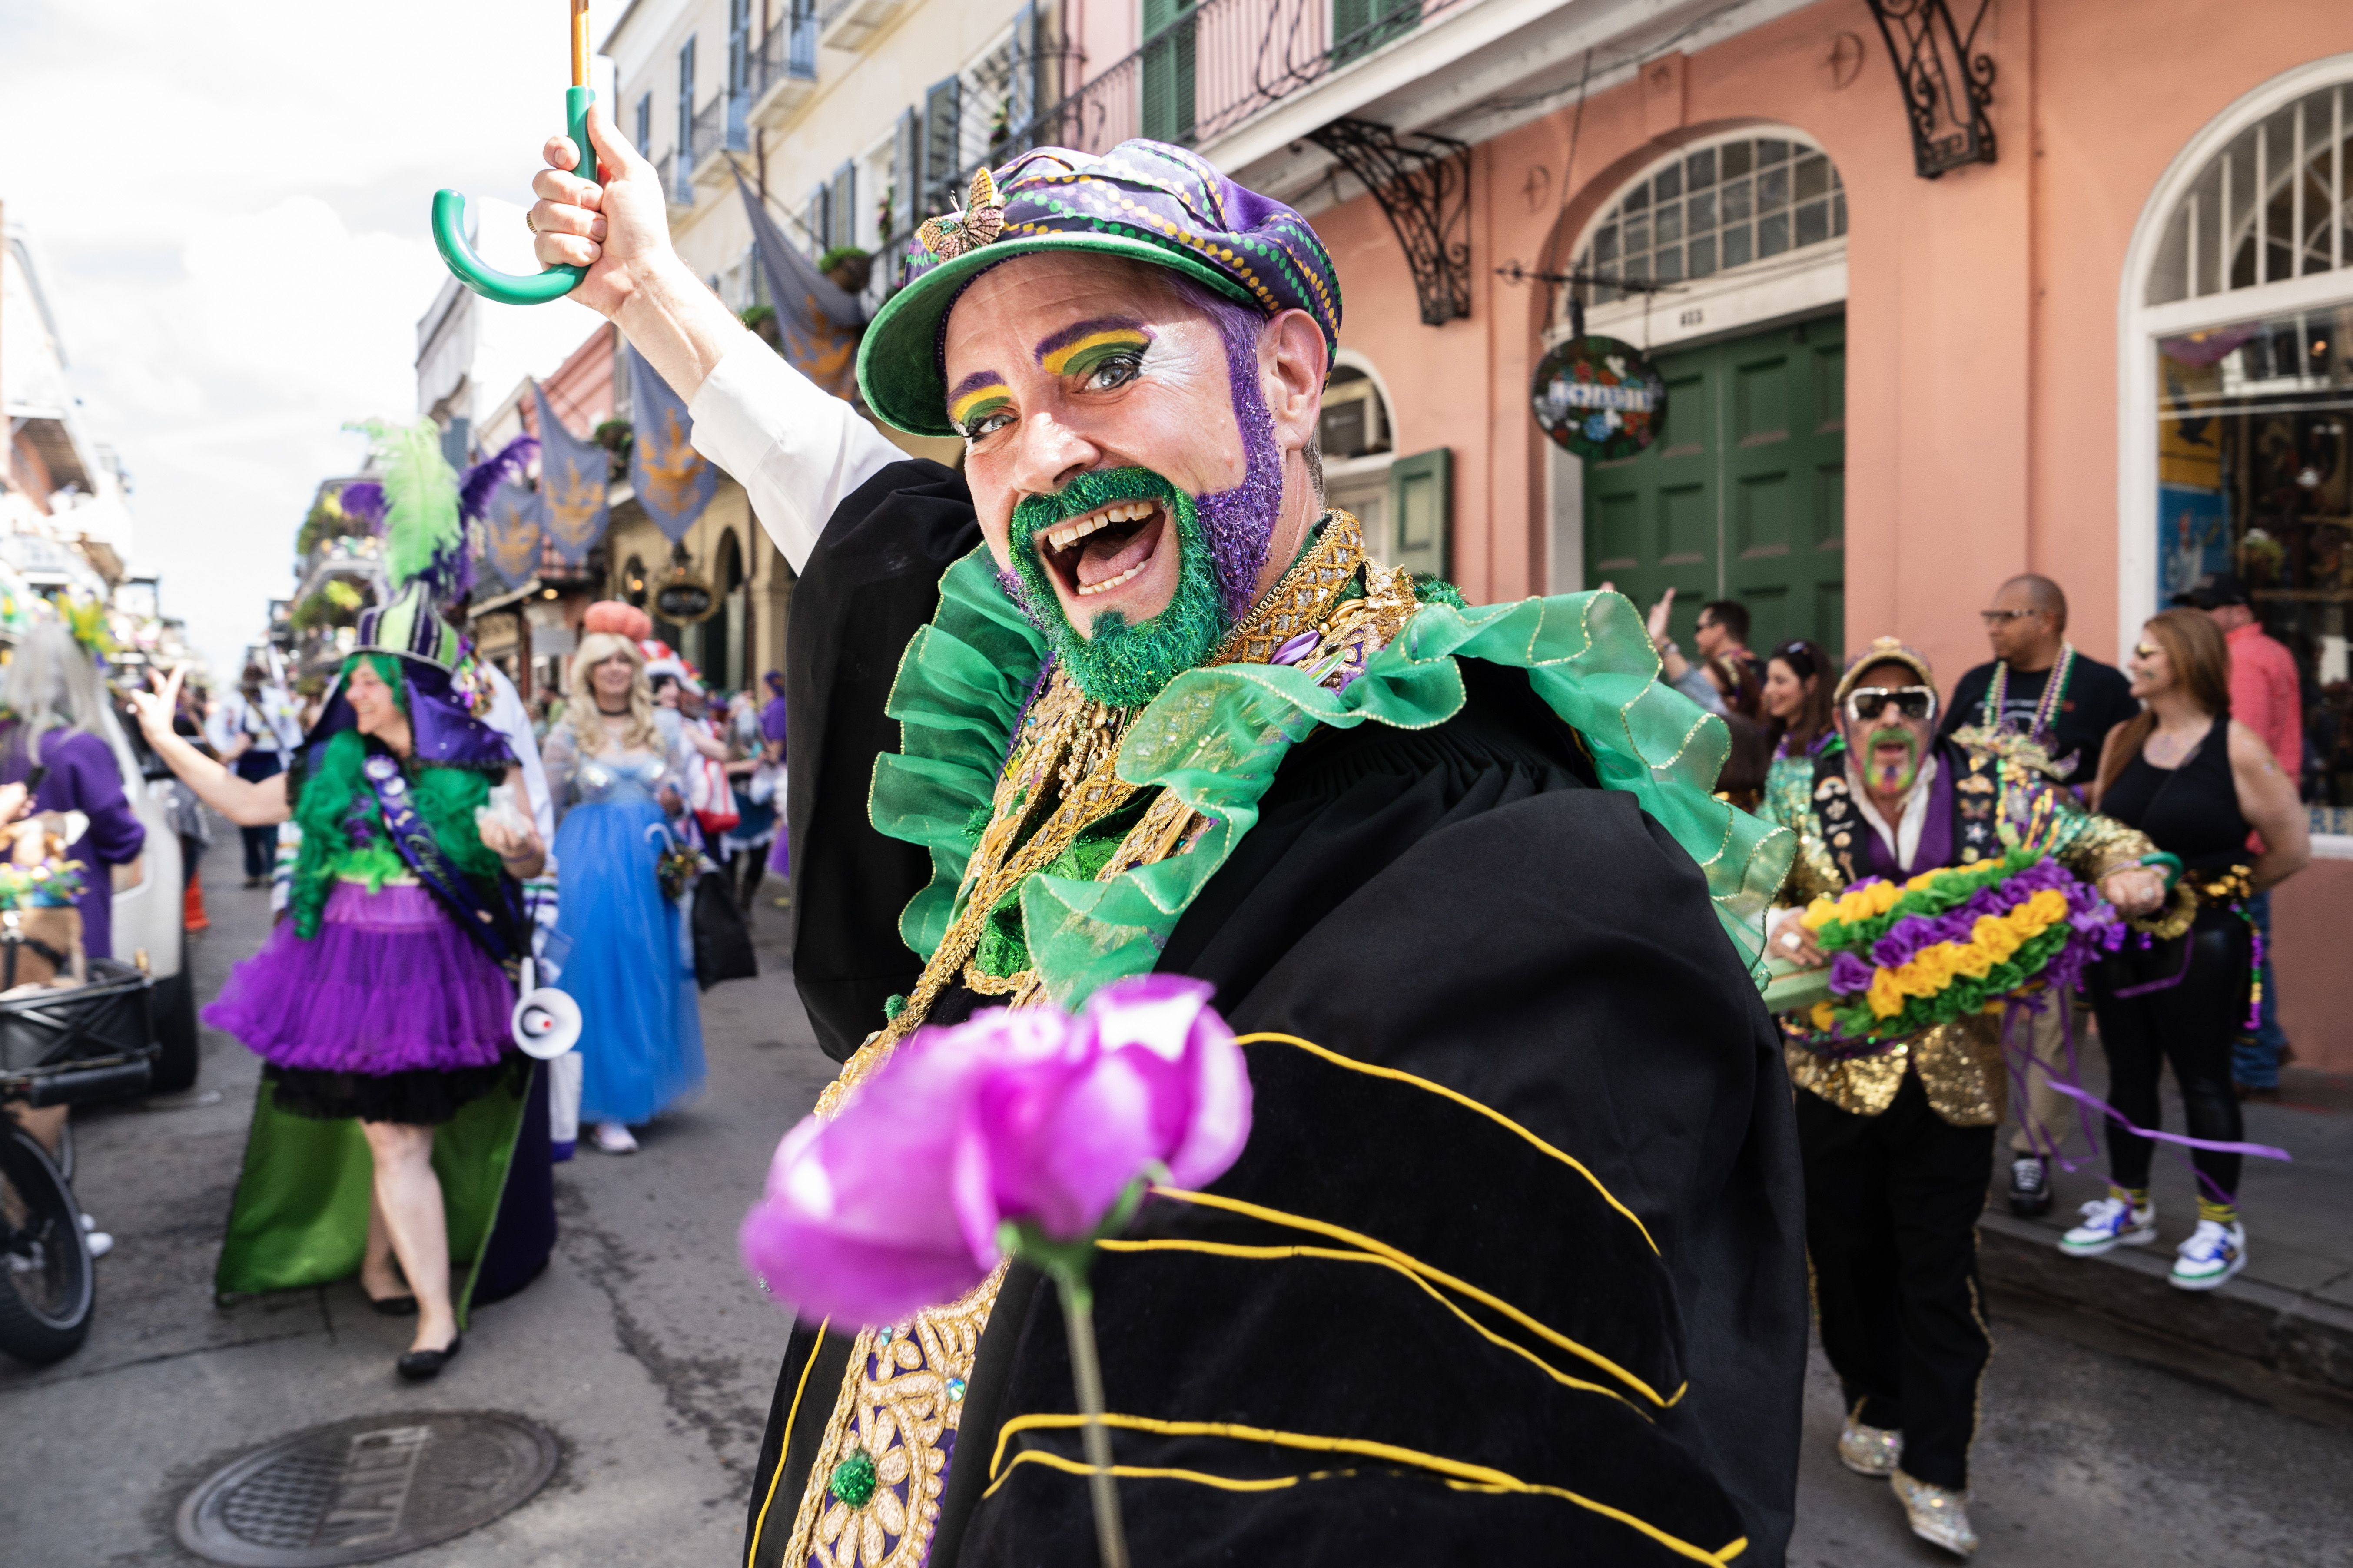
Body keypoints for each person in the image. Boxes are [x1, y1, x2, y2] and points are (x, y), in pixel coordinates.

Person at [533, 112, 1806, 1564]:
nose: (1040, 451)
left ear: (1284, 370)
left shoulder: (1471, 825)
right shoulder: (1051, 685)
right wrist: (649, 292)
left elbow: (1411, 1469)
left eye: (1103, 364)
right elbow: (852, 494)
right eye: (988, 414)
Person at [128, 438, 552, 1378]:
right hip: (347, 973)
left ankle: (381, 1268)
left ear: (416, 689)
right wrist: (163, 738)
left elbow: (526, 849)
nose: (352, 688)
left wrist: (517, 846)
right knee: (392, 1133)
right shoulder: (329, 766)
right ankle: (433, 1312)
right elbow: (241, 804)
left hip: (438, 973)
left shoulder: (479, 762)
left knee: (400, 1132)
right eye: (352, 677)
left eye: (370, 677)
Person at [1764, 637, 2163, 1556]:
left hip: (1953, 1081)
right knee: (1845, 1255)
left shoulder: (1998, 792)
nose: (1891, 718)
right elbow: (1751, 890)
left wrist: (2128, 871)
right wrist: (1779, 924)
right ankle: (1873, 1398)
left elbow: (2098, 835)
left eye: (1909, 700)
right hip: (1833, 1072)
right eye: (1872, 704)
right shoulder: (1794, 795)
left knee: (1938, 1270)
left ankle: (1936, 1467)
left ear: (1933, 710)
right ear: (1841, 721)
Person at [2063, 609, 2310, 1290]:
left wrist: (2211, 895)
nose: (2133, 662)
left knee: (2202, 1077)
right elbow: (2096, 833)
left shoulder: (2235, 747)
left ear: (2185, 662)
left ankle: (2217, 1224)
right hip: (2116, 938)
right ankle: (2127, 1203)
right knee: (2125, 1075)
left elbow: (2290, 849)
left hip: (2201, 942)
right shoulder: (2121, 738)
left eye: (2147, 653)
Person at [1938, 573, 2142, 1217]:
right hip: (1973, 876)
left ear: (2048, 619)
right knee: (1965, 1004)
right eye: (1988, 613)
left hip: (2055, 878)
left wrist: (2075, 799)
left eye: (2006, 614)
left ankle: (2032, 1154)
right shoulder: (1976, 684)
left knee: (2049, 1018)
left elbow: (2126, 777)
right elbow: (1940, 762)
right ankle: (1963, 1135)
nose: (1991, 625)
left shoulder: (2101, 687)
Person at [540, 630, 706, 1156]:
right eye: (603, 661)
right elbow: (545, 809)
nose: (614, 669)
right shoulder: (569, 732)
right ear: (587, 671)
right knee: (595, 974)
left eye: (623, 660)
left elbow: (681, 804)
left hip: (650, 867)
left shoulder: (662, 728)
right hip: (587, 866)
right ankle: (602, 1107)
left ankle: (637, 1089)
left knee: (648, 975)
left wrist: (676, 803)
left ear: (635, 669)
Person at [2188, 572, 2303, 1098]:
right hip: (2260, 828)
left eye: (2207, 609)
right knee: (2251, 948)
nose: (2201, 619)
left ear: (2236, 610)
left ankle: (2254, 1066)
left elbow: (2240, 750)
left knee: (2244, 955)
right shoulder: (2267, 652)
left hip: (2246, 836)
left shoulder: (2246, 661)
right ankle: (2268, 1042)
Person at [206, 661, 303, 886]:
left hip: (272, 761)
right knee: (246, 820)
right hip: (245, 763)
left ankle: (272, 871)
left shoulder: (277, 699)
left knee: (272, 820)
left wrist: (293, 755)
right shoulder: (232, 701)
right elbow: (216, 728)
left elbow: (290, 726)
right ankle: (253, 872)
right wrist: (228, 750)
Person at [1695, 597, 1762, 688]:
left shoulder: (1713, 678)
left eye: (1699, 628)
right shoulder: (1765, 670)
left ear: (1719, 630)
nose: (1696, 637)